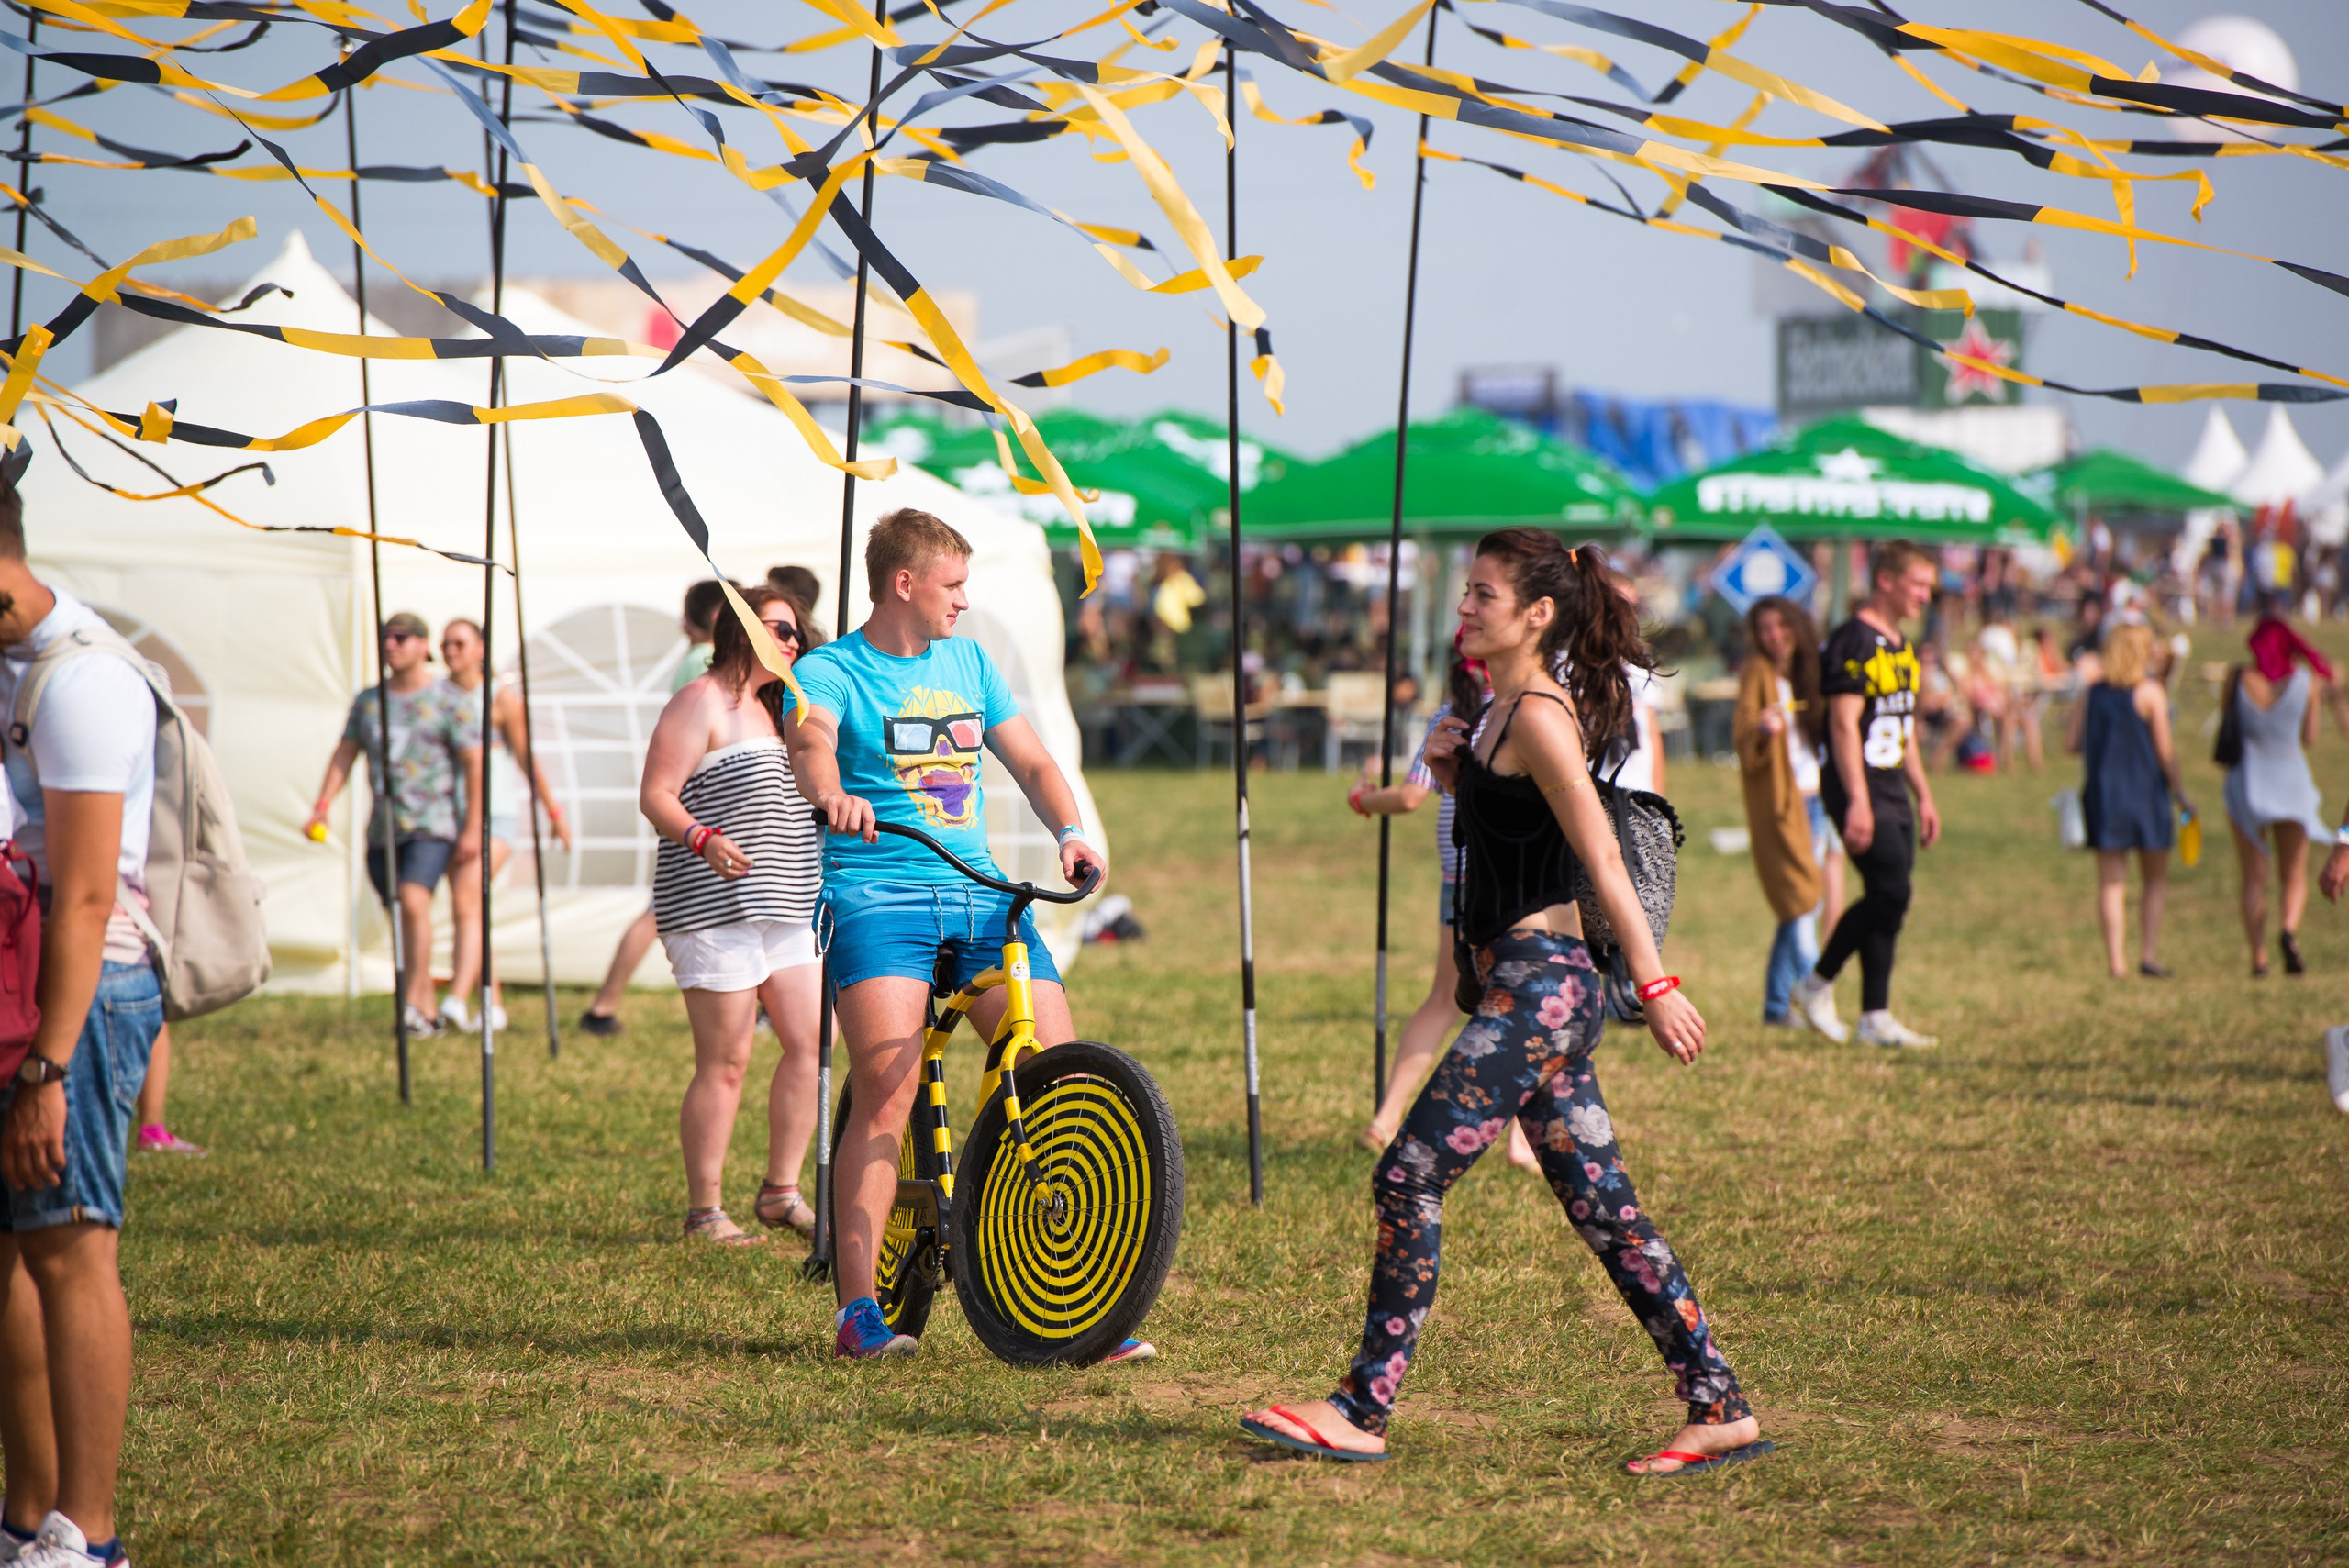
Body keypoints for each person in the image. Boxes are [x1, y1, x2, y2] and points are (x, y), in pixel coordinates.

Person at [1241, 531, 1760, 1474]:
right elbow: (1504, 837)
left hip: (1545, 986)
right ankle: (1718, 1403)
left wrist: (1655, 980)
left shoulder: (1540, 715)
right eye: (1466, 589)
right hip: (1525, 985)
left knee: (1408, 1173)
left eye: (1482, 593)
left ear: (1536, 614)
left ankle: (1362, 1405)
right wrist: (1449, 776)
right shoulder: (1492, 713)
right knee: (1608, 1212)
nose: (1464, 606)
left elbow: (1598, 851)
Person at [786, 509, 1123, 1360]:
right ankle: (858, 1313)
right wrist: (831, 794)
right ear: (905, 583)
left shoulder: (970, 662)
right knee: (886, 1093)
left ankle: (1077, 1302)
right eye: (955, 586)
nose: (965, 603)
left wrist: (1071, 832)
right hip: (876, 893)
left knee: (1058, 1074)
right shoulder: (833, 668)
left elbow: (1038, 763)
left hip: (977, 891)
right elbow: (810, 739)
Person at [0, 481, 164, 1567]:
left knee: (68, 1244)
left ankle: (87, 1530)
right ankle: (28, 1514)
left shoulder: (86, 679)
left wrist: (48, 1067)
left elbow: (91, 896)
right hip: (14, 972)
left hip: (80, 987)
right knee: (13, 1249)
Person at [638, 587, 824, 1245]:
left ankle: (781, 1191)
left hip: (788, 903)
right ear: (741, 628)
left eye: (796, 631)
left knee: (814, 1043)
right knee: (727, 1060)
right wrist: (702, 837)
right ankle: (704, 1211)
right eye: (779, 627)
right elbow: (655, 793)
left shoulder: (787, 709)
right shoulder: (701, 700)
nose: (793, 640)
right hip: (712, 908)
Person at [1346, 644, 1540, 1171]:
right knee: (1522, 1006)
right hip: (1505, 882)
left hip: (1456, 878)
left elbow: (1409, 797)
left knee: (1442, 1000)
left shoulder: (1450, 714)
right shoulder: (1523, 709)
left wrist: (1361, 799)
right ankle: (1521, 1143)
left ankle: (1385, 1119)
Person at [1788, 541, 1943, 1050]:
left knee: (1889, 900)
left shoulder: (1901, 643)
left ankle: (1874, 1016)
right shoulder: (1854, 638)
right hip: (1860, 785)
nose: (1927, 594)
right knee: (1891, 891)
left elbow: (1902, 729)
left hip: (1893, 785)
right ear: (1886, 580)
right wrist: (1856, 798)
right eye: (1918, 583)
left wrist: (1924, 795)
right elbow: (1842, 724)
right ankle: (1815, 985)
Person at [306, 613, 482, 1037]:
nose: (392, 645)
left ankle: (409, 1004)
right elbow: (346, 752)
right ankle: (423, 1008)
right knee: (401, 915)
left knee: (413, 902)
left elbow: (474, 763)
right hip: (383, 829)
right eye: (386, 637)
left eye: (402, 637)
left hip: (433, 823)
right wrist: (323, 803)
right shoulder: (369, 701)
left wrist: (474, 826)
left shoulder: (448, 700)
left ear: (423, 646)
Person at [580, 580, 734, 1038]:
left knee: (660, 910)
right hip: (701, 809)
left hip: (693, 808)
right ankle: (603, 1005)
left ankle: (604, 1005)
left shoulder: (689, 661)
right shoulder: (700, 663)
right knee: (659, 912)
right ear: (717, 620)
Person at [436, 617, 573, 1034]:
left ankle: (457, 997)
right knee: (473, 909)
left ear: (481, 648)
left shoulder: (500, 698)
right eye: (446, 644)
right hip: (448, 816)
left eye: (460, 643)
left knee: (467, 900)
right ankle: (492, 1004)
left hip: (494, 813)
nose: (451, 650)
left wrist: (553, 811)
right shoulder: (437, 697)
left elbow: (525, 757)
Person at [2067, 625, 2188, 980]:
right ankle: (2148, 955)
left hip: (2104, 794)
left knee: (2111, 883)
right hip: (2146, 794)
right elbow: (2165, 752)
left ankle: (2116, 963)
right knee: (2155, 879)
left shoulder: (2092, 693)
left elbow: (2071, 743)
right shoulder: (2150, 692)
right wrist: (2181, 793)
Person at [2221, 609, 2336, 978]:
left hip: (2248, 782)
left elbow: (2228, 725)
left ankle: (2258, 958)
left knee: (2254, 877)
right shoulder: (2306, 682)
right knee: (2294, 873)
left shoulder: (2237, 677)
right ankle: (2288, 930)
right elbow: (2310, 738)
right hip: (2291, 783)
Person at [1733, 596, 1829, 1029]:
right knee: (1803, 901)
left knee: (1801, 903)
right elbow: (1743, 733)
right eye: (1765, 628)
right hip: (1784, 803)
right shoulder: (1758, 671)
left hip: (1818, 799)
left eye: (1780, 626)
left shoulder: (1810, 669)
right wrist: (1762, 728)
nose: (1774, 635)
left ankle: (1776, 1006)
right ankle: (1817, 994)